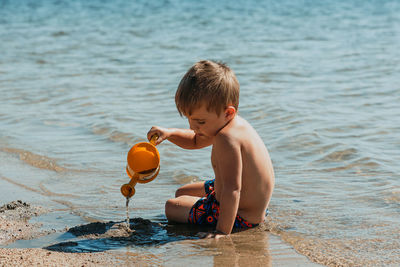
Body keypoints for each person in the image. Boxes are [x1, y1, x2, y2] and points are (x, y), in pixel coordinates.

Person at [147, 60, 274, 237]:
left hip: (242, 215)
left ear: (228, 112)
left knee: (171, 206)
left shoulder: (227, 138)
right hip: (249, 203)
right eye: (189, 120)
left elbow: (232, 190)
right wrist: (169, 133)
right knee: (182, 192)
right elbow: (195, 141)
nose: (193, 127)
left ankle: (220, 220)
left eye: (200, 122)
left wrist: (222, 232)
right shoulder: (231, 124)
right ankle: (208, 205)